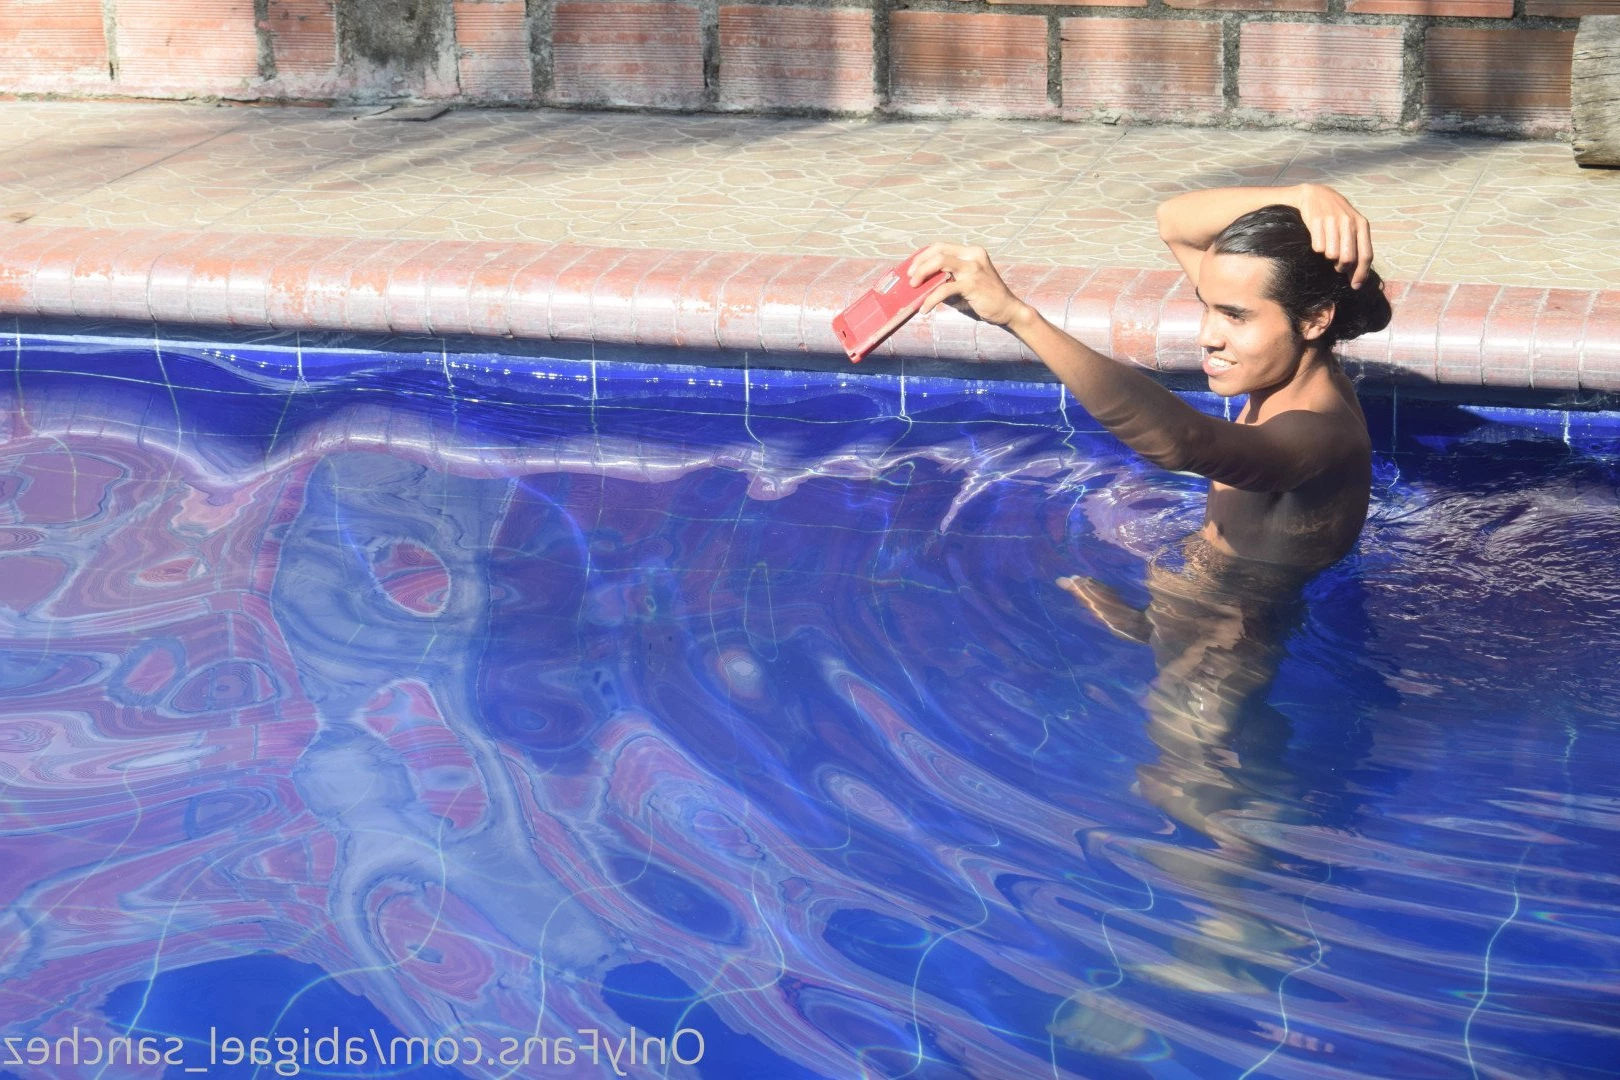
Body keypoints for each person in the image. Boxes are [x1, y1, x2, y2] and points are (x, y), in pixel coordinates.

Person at [913, 186, 1394, 1051]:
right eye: (1206, 306)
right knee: (1210, 770)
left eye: (1235, 316)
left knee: (1184, 780)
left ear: (1316, 318)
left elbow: (1186, 446)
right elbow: (1175, 219)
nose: (1208, 335)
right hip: (1199, 621)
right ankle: (1247, 916)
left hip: (1227, 650)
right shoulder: (1277, 369)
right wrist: (1302, 196)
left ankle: (1237, 936)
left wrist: (1019, 316)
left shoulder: (1320, 431)